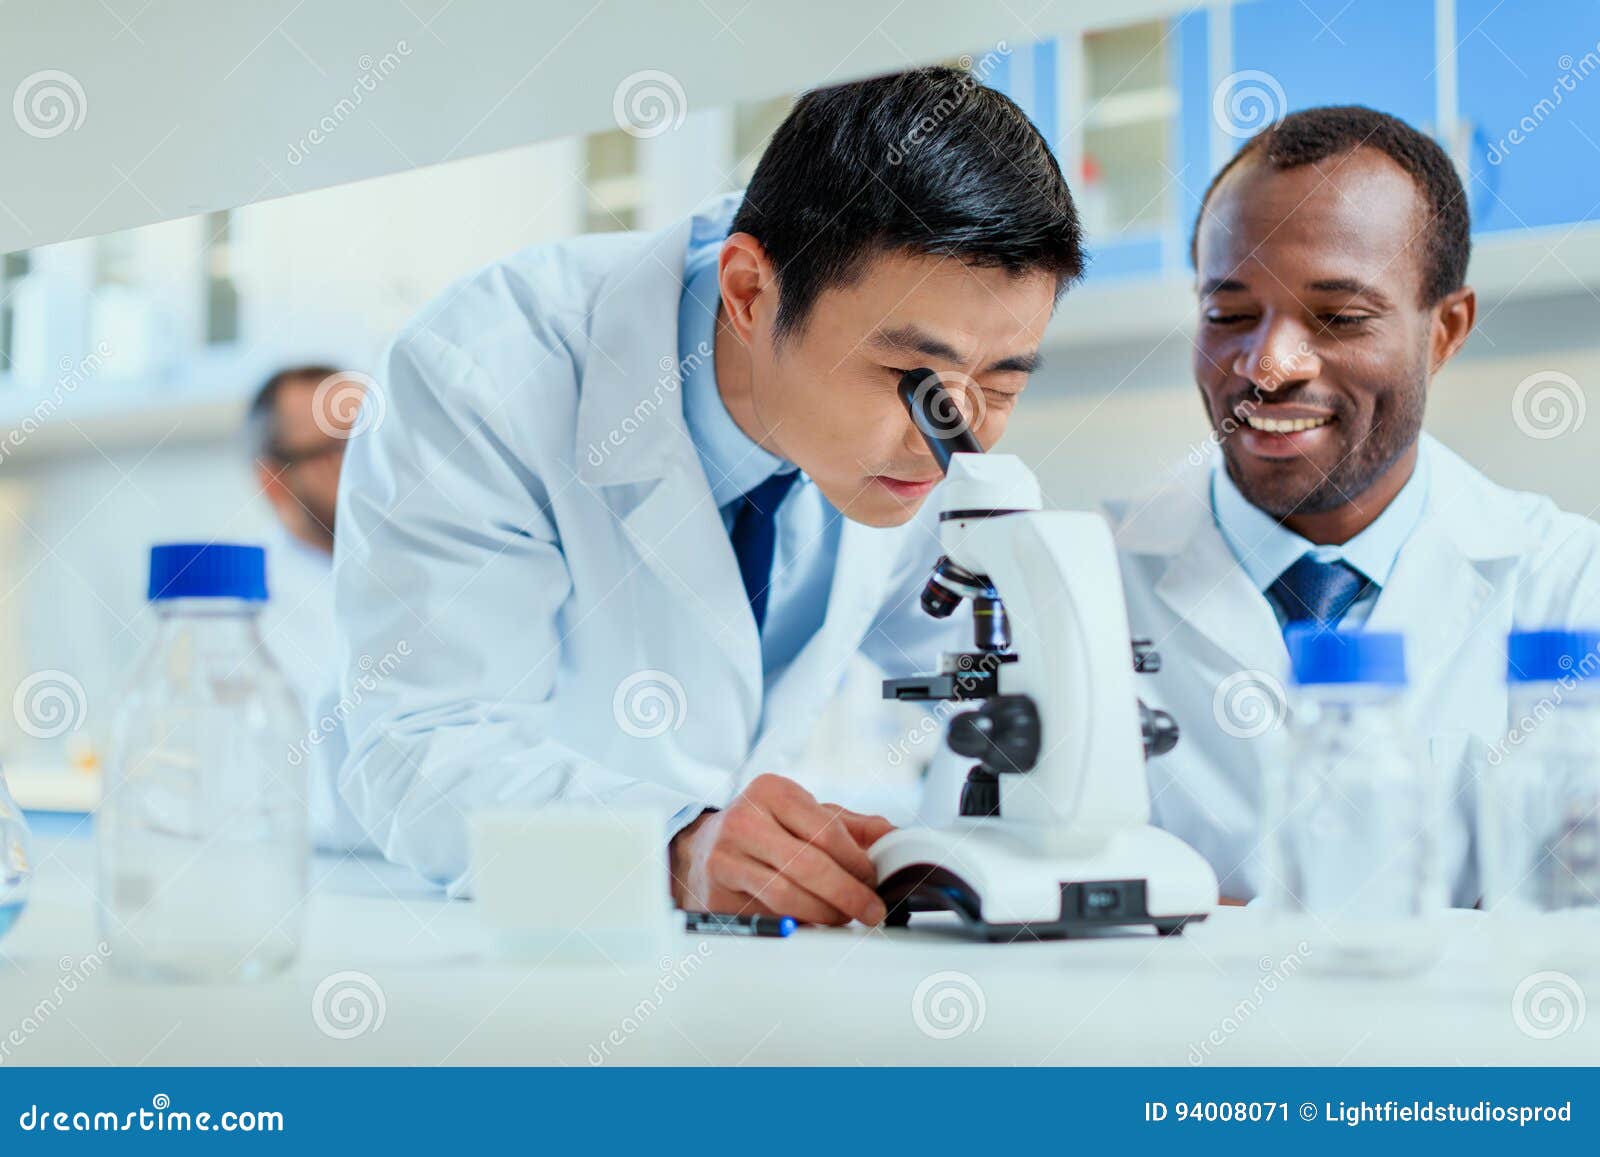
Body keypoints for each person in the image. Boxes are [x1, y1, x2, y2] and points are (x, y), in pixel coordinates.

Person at [331, 66, 1085, 919]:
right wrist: (673, 846)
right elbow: (422, 742)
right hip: (491, 930)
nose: (946, 441)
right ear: (750, 293)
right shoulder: (485, 372)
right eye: (910, 378)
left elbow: (996, 683)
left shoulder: (940, 436)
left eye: (1004, 382)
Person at [1105, 106, 1600, 905]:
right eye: (1229, 315)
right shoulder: (1086, 577)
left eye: (1339, 318)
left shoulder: (1569, 581)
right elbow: (986, 876)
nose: (1269, 365)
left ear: (1446, 330)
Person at [248, 365, 373, 852]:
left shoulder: (449, 568)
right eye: (336, 450)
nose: (371, 467)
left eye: (375, 443)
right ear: (274, 482)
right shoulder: (245, 614)